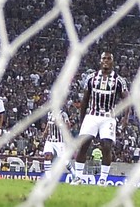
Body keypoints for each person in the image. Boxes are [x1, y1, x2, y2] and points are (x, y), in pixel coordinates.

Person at [70, 51, 130, 185]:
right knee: (84, 145)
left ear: (112, 62)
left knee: (106, 146)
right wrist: (81, 119)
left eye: (109, 58)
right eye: (104, 58)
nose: (106, 61)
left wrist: (125, 119)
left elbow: (127, 100)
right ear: (100, 61)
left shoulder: (118, 80)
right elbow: (85, 100)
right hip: (91, 115)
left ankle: (103, 179)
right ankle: (78, 177)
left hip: (108, 117)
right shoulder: (92, 78)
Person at [41, 101, 72, 178]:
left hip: (59, 140)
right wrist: (45, 133)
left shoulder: (63, 115)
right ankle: (48, 178)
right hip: (50, 139)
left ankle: (74, 174)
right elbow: (48, 124)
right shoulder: (50, 114)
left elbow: (68, 126)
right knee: (47, 156)